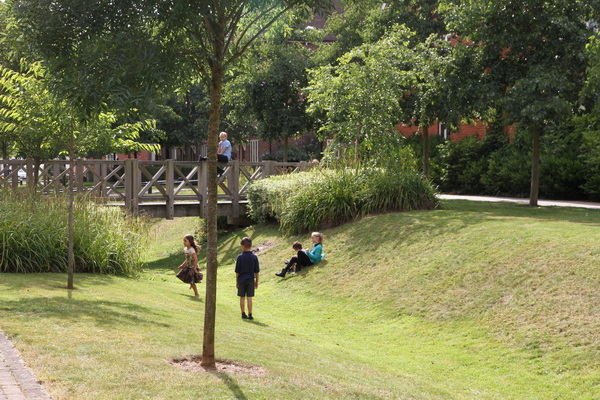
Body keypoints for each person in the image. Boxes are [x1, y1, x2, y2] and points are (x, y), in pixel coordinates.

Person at [235, 236, 260, 320]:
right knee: (250, 297)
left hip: (242, 279)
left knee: (242, 297)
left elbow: (237, 271)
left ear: (243, 246)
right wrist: (256, 281)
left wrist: (237, 281)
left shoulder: (240, 257)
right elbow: (257, 271)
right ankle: (250, 314)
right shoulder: (254, 257)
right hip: (250, 280)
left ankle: (243, 313)